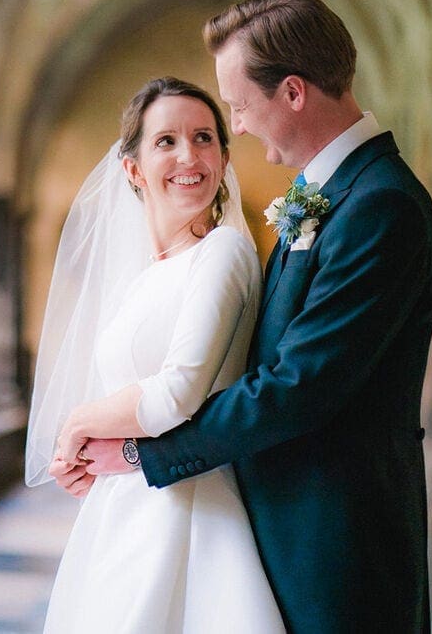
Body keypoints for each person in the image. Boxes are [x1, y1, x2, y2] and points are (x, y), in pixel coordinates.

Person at [58, 0, 432, 633]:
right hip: (278, 525)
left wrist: (138, 455)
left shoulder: (381, 204)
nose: (235, 126)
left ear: (292, 92)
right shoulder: (328, 194)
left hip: (334, 540)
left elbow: (298, 387)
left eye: (237, 105)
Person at [26, 77, 286, 632]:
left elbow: (176, 394)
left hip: (187, 514)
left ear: (222, 156)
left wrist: (76, 426)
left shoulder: (224, 252)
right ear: (133, 168)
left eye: (204, 138)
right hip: (121, 512)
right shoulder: (144, 276)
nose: (188, 155)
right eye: (166, 141)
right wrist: (91, 455)